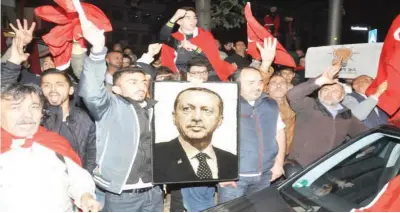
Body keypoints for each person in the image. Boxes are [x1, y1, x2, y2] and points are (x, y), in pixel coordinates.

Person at [78, 17, 163, 211]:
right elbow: (90, 91)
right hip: (123, 194)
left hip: (154, 191)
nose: (141, 86)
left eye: (143, 82)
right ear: (116, 89)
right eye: (132, 82)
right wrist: (98, 51)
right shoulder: (109, 107)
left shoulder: (157, 108)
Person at [1, 21, 97, 174]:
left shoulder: (84, 118)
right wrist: (14, 60)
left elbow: (91, 154)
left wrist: (85, 183)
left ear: (72, 89)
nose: (52, 89)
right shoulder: (34, 118)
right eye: (46, 85)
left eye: (59, 84)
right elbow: (4, 93)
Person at [0, 83, 100, 212]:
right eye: (15, 107)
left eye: (34, 107)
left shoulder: (54, 142)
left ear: (42, 113)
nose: (27, 115)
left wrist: (85, 196)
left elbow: (77, 177)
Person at [219, 67, 286, 203]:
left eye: (260, 82)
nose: (257, 87)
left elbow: (279, 133)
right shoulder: (225, 105)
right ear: (236, 83)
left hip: (265, 175)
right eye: (251, 83)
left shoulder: (271, 104)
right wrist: (221, 173)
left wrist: (279, 163)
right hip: (234, 177)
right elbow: (212, 139)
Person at [287, 64, 368, 167]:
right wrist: (319, 81)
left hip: (328, 168)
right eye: (325, 90)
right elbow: (292, 95)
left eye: (335, 91)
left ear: (342, 96)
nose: (329, 93)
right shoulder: (309, 105)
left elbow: (364, 134)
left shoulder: (346, 114)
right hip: (302, 166)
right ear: (319, 93)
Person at [154, 87, 237, 183]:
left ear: (219, 120)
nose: (197, 117)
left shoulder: (233, 161)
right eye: (187, 109)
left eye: (207, 110)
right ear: (174, 117)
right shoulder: (153, 156)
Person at [160, 7, 235, 81]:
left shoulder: (205, 35)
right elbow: (163, 36)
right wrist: (174, 18)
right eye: (188, 18)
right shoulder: (175, 38)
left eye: (194, 18)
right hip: (183, 76)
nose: (192, 21)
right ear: (179, 21)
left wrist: (194, 47)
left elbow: (212, 58)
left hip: (208, 74)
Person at [267, 75, 296, 155]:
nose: (278, 85)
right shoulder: (262, 104)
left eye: (282, 82)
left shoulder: (293, 104)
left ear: (287, 88)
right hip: (270, 154)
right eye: (273, 82)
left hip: (289, 153)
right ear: (267, 89)